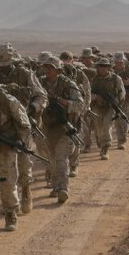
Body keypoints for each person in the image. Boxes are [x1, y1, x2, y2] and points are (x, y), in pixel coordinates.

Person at [0, 43, 47, 214]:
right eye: (2, 65)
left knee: (24, 162)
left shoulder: (26, 74)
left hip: (24, 126)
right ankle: (10, 203)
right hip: (4, 128)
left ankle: (25, 190)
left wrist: (32, 109)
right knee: (4, 167)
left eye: (7, 64)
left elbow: (41, 96)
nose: (4, 68)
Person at [38, 54, 85, 204]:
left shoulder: (68, 84)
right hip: (47, 127)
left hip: (64, 127)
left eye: (51, 68)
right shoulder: (40, 83)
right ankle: (56, 185)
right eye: (46, 68)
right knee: (50, 159)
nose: (48, 71)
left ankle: (63, 188)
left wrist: (64, 102)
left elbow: (80, 104)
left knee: (61, 158)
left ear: (58, 70)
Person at [88, 56, 125, 160]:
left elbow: (121, 92)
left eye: (105, 66)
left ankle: (106, 147)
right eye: (101, 66)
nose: (103, 68)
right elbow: (86, 92)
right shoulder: (93, 79)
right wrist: (94, 97)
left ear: (109, 67)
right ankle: (101, 142)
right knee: (98, 128)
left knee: (107, 125)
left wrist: (117, 102)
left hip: (109, 107)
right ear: (98, 67)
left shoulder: (116, 78)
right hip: (96, 106)